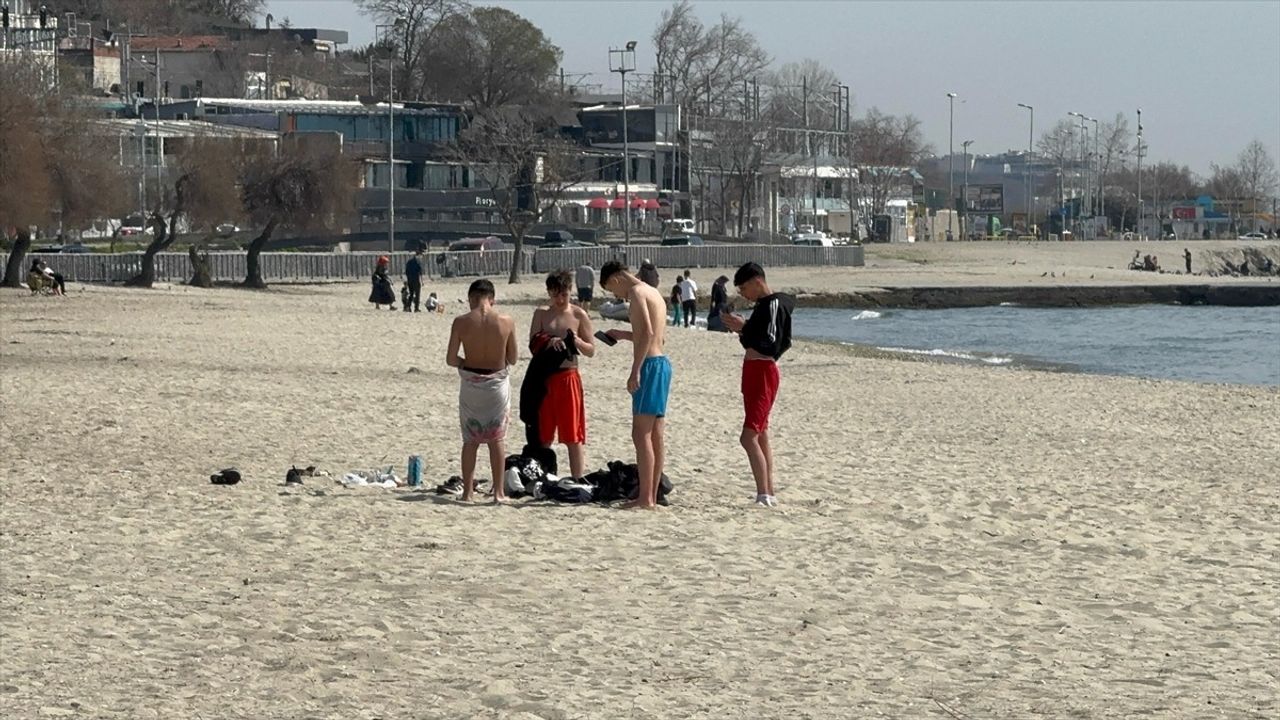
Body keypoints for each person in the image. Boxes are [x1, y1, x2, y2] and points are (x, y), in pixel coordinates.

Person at [721, 262, 795, 508]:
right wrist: (743, 331)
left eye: (744, 288)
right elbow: (758, 341)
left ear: (756, 281)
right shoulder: (766, 306)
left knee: (749, 435)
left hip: (763, 371)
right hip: (755, 369)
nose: (743, 294)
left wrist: (746, 327)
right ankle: (767, 491)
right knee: (760, 432)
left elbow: (772, 342)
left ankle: (764, 492)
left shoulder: (773, 304)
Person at [600, 260, 671, 510]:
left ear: (616, 279)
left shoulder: (637, 293)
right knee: (656, 434)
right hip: (662, 362)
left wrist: (635, 370)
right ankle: (652, 493)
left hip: (649, 366)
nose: (615, 295)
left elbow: (649, 334)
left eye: (611, 289)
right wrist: (623, 335)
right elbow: (655, 336)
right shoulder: (654, 292)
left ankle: (646, 498)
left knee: (641, 434)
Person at [446, 279, 518, 502]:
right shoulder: (506, 321)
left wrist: (466, 363)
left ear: (471, 299)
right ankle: (498, 492)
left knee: (470, 439)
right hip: (496, 383)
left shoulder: (461, 322)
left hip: (471, 383)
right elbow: (513, 358)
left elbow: (450, 359)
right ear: (492, 299)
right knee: (497, 439)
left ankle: (467, 492)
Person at [524, 271, 596, 481]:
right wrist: (550, 341)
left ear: (570, 291)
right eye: (555, 295)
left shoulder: (578, 314)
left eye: (564, 294)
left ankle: (577, 479)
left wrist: (576, 342)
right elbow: (532, 343)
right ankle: (543, 477)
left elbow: (591, 350)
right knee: (544, 433)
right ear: (549, 293)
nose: (560, 299)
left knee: (572, 434)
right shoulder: (541, 313)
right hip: (544, 377)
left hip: (568, 377)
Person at [405, 247, 425, 312]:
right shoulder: (418, 262)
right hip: (416, 280)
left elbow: (406, 272)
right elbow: (420, 272)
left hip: (410, 280)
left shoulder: (409, 262)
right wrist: (422, 281)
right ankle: (416, 308)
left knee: (411, 294)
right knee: (417, 294)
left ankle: (408, 307)